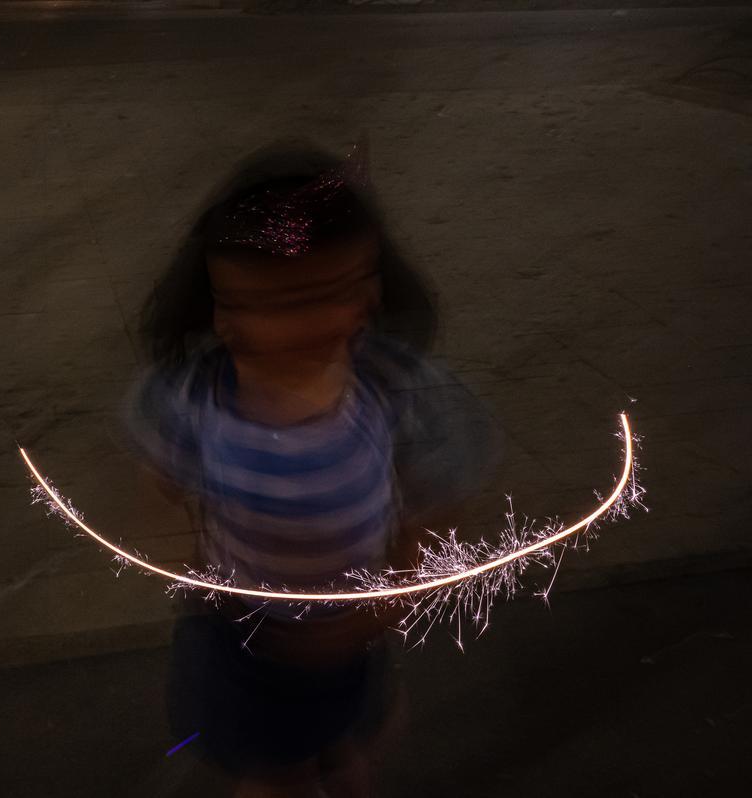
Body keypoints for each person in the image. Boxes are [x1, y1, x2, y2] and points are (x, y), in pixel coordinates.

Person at [124, 139, 502, 796]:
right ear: (226, 312)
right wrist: (186, 532)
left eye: (332, 292)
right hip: (242, 639)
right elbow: (162, 478)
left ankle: (340, 764)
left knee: (345, 745)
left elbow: (436, 506)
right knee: (274, 774)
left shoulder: (392, 389)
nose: (308, 320)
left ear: (370, 290)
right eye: (276, 302)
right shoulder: (196, 397)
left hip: (351, 637)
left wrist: (385, 602)